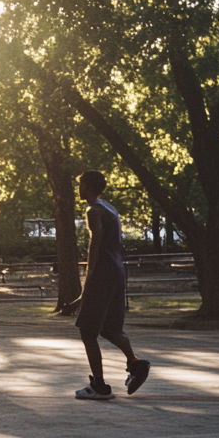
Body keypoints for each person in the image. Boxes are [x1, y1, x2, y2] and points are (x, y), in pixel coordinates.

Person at [61, 171, 150, 400]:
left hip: (102, 272)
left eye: (80, 184)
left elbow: (96, 242)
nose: (78, 188)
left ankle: (99, 386)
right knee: (110, 329)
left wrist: (88, 279)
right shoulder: (109, 207)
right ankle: (135, 363)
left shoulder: (93, 210)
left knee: (87, 331)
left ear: (88, 187)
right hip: (117, 271)